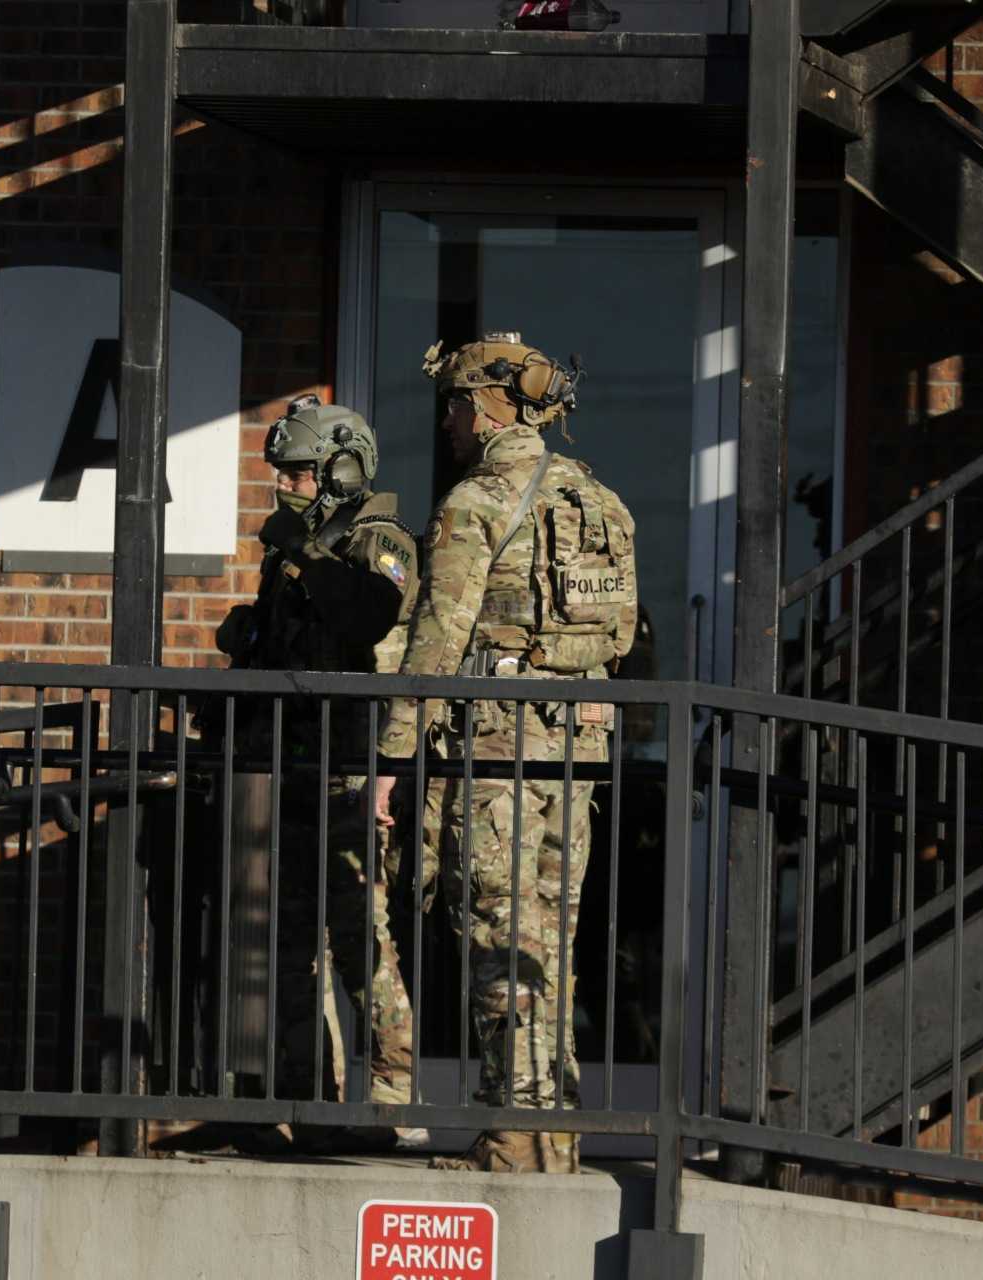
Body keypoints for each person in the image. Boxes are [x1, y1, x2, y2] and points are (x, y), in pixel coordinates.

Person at [372, 334, 637, 1174]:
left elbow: (437, 640)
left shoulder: (477, 501)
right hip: (582, 741)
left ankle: (514, 1139)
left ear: (487, 407)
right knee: (551, 937)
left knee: (499, 930)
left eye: (454, 404)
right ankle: (551, 1132)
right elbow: (626, 637)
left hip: (499, 744)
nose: (447, 421)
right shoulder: (598, 499)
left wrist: (392, 757)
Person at [211, 395, 424, 1149]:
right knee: (289, 941)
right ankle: (307, 1105)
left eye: (300, 474)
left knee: (360, 940)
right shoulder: (295, 548)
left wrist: (303, 552)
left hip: (354, 773)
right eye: (283, 474)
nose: (287, 486)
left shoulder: (379, 540)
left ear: (342, 469)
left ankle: (392, 1105)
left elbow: (370, 615)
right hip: (290, 771)